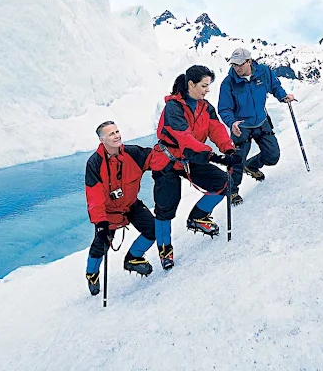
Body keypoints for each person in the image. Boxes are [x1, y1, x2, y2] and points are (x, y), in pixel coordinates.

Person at [148, 65, 242, 270]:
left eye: (209, 86)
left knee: (225, 182)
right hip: (168, 161)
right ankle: (165, 250)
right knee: (165, 208)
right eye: (204, 85)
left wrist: (229, 149)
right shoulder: (173, 108)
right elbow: (185, 139)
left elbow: (216, 128)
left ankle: (198, 217)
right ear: (191, 84)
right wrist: (214, 157)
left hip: (191, 158)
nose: (207, 90)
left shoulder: (205, 107)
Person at [84, 121, 156, 296]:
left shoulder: (133, 153)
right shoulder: (94, 163)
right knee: (101, 245)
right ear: (102, 139)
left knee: (153, 229)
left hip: (131, 204)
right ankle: (92, 274)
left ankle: (133, 258)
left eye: (117, 132)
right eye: (111, 134)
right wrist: (101, 223)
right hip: (108, 213)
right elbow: (94, 197)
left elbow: (156, 158)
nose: (117, 136)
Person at [218, 47, 295, 204]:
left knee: (272, 156)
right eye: (234, 65)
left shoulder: (263, 72)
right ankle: (232, 192)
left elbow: (275, 86)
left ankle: (251, 166)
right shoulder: (228, 83)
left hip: (261, 121)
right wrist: (231, 123)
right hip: (241, 126)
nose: (237, 68)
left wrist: (283, 96)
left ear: (249, 62)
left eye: (240, 64)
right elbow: (224, 108)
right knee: (236, 161)